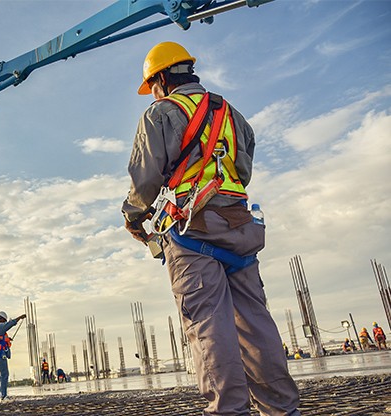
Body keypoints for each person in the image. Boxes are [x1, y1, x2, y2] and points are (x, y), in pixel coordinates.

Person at [122, 41, 300, 416]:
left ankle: (228, 411)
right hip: (240, 229)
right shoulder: (231, 113)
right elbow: (244, 168)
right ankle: (283, 409)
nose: (150, 94)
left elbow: (145, 178)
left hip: (192, 233)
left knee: (209, 328)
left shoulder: (161, 113)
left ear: (161, 78)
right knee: (256, 326)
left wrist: (133, 214)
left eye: (151, 86)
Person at [0, 311, 26, 403]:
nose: (5, 322)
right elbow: (9, 324)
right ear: (2, 319)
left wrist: (7, 340)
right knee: (4, 375)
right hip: (0, 354)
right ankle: (4, 397)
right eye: (4, 321)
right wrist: (20, 317)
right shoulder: (0, 326)